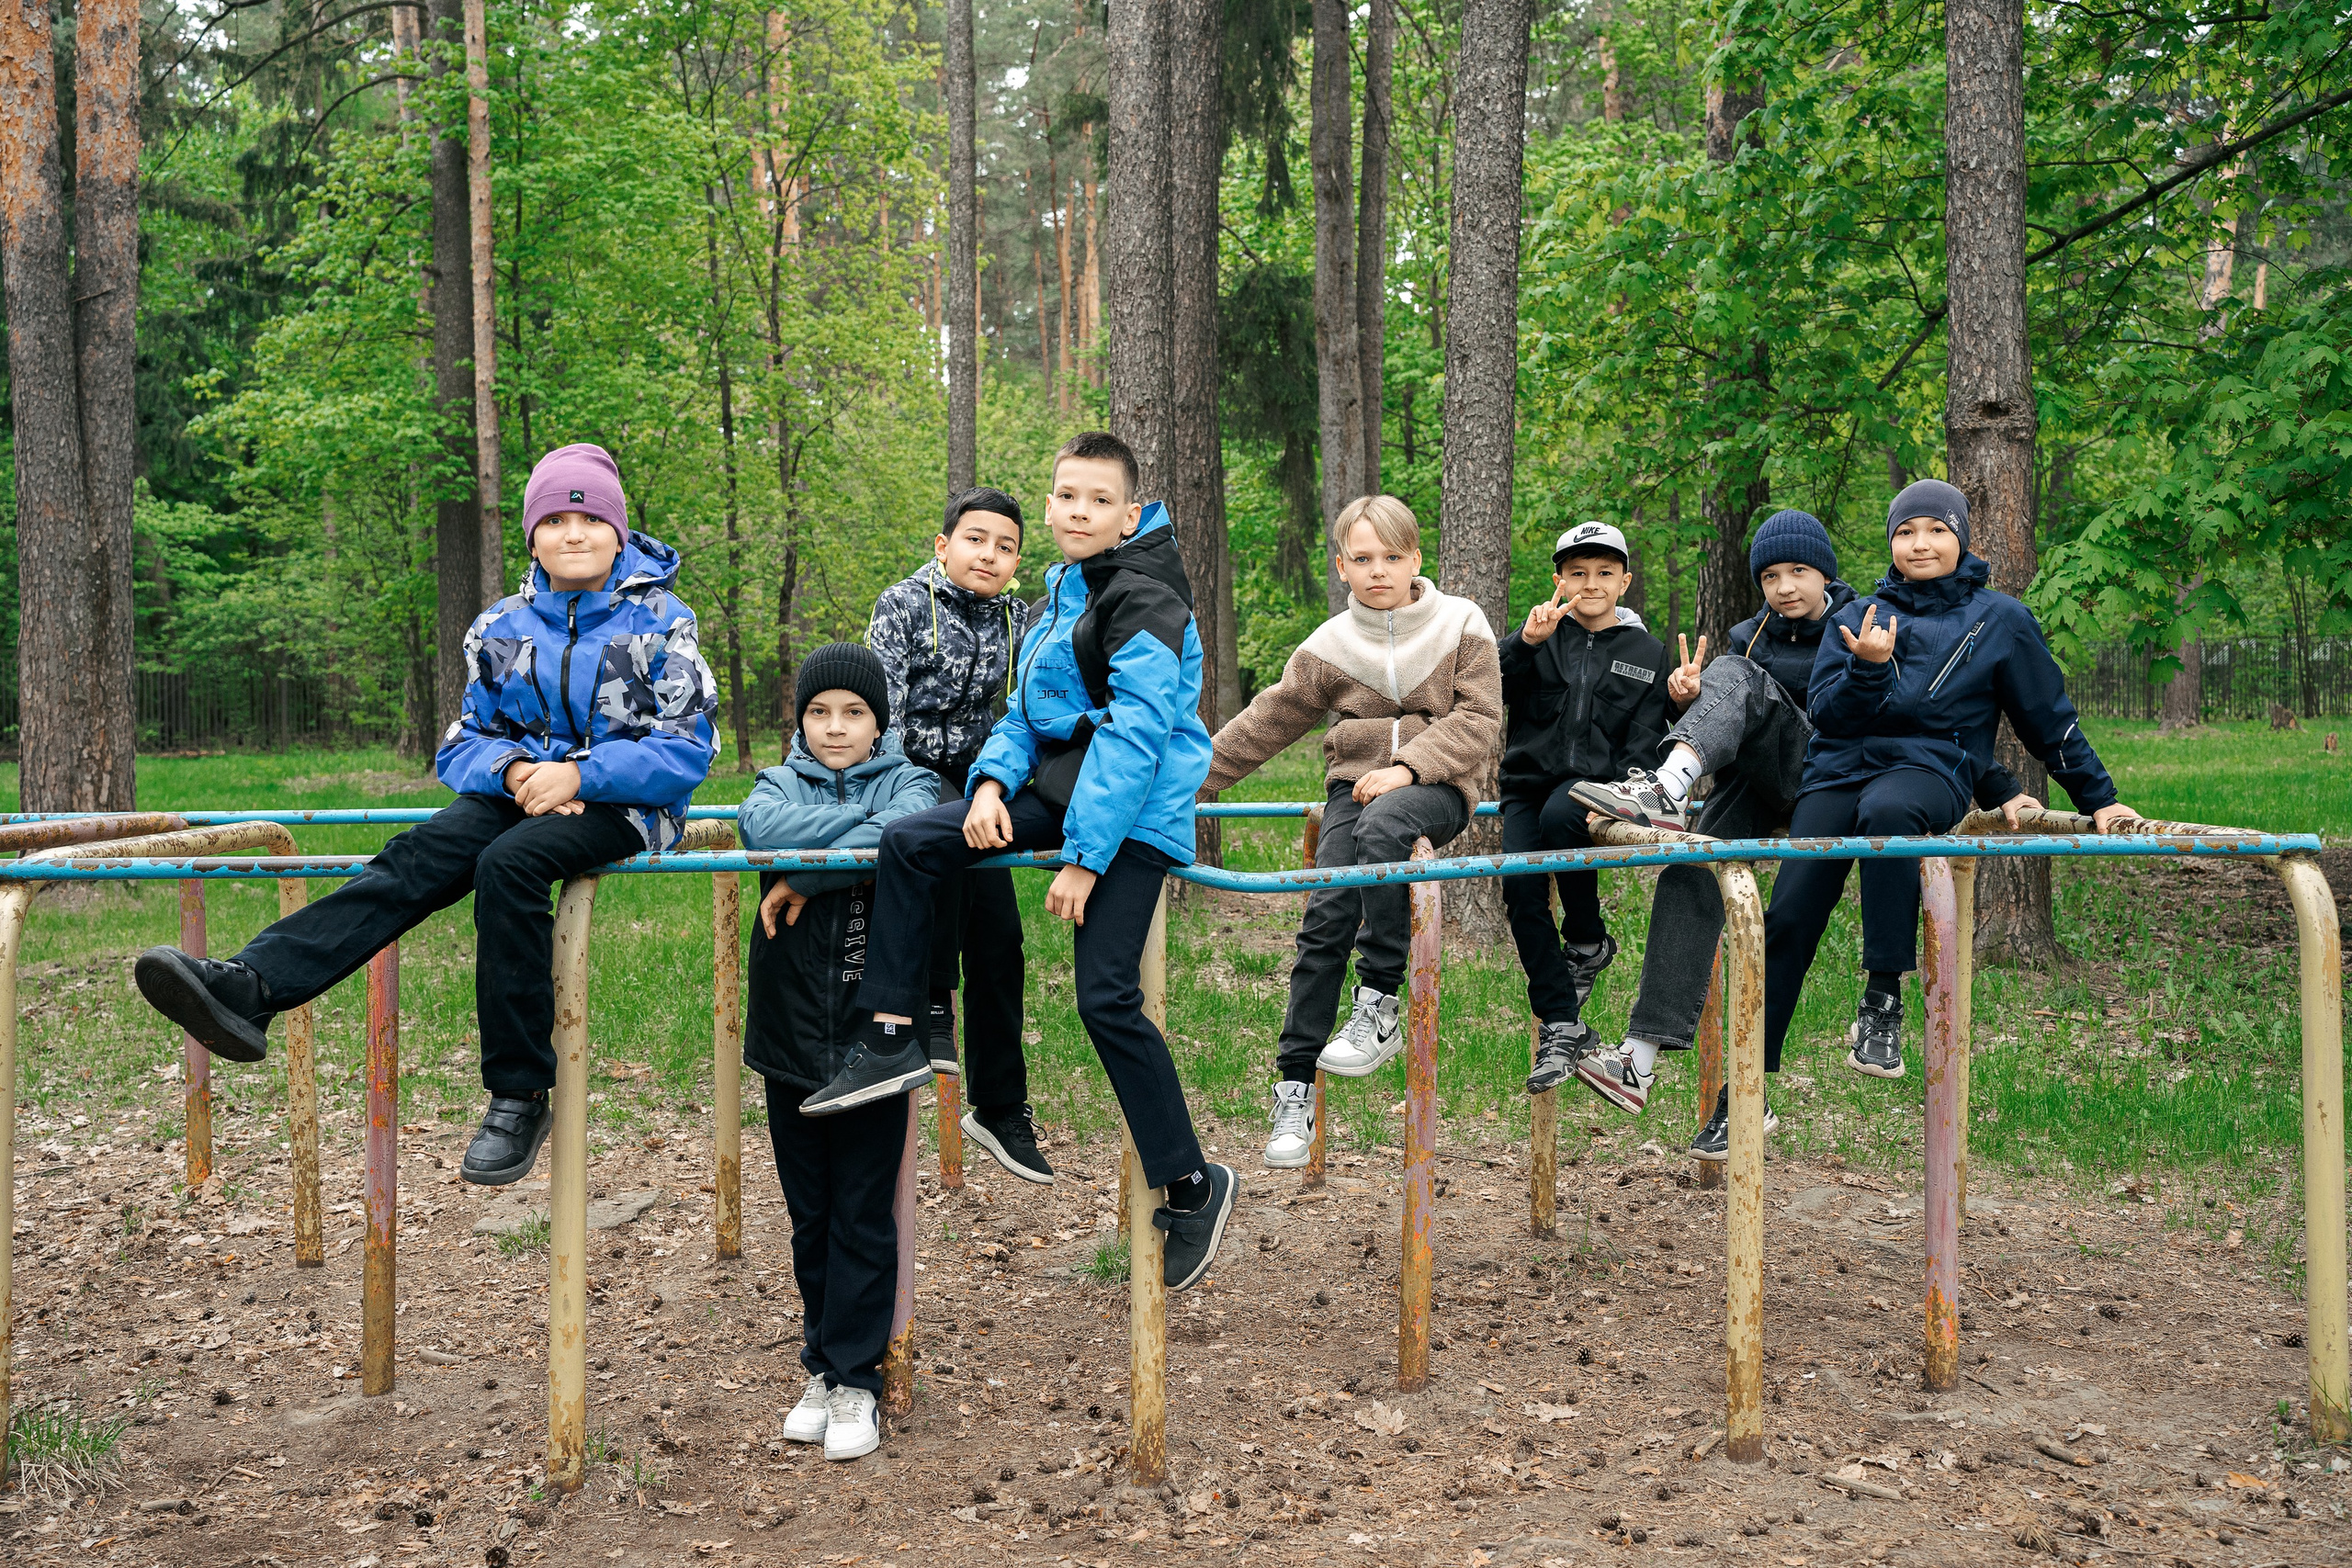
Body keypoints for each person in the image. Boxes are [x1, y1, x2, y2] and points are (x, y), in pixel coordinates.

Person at [130, 443, 718, 1185]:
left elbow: (686, 747)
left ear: (621, 531)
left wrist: (580, 773)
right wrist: (516, 770)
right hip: (520, 793)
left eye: (593, 517)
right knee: (419, 854)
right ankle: (253, 986)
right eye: (557, 518)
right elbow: (463, 741)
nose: (575, 532)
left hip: (625, 806)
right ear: (532, 534)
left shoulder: (662, 621)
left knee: (510, 865)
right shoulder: (501, 627)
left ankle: (519, 1091)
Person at [797, 431, 1235, 1292]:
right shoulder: (1063, 591)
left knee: (1105, 998)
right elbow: (1024, 712)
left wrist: (1082, 858)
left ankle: (1193, 1182)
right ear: (1050, 505)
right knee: (916, 840)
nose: (1080, 511)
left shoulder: (1145, 595)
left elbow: (1139, 738)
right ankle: (893, 1034)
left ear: (1130, 513)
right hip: (1058, 790)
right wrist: (993, 784)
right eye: (1067, 496)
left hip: (1131, 815)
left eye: (1099, 500)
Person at [1565, 509, 2024, 1158]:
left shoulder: (1868, 619)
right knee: (1693, 867)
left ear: (1827, 574)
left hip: (1837, 776)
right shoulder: (1748, 637)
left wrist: (1995, 782)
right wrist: (1682, 699)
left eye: (1799, 572)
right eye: (1771, 576)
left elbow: (1930, 709)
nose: (1784, 587)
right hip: (1764, 780)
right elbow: (1733, 720)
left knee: (1738, 678)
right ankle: (1639, 1057)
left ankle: (1668, 785)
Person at [1758, 479, 2139, 1102]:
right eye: (1905, 531)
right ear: (1891, 542)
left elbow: (2050, 719)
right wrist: (1867, 669)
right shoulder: (1856, 617)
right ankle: (1744, 1090)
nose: (1920, 543)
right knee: (1788, 914)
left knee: (1890, 809)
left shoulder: (2001, 620)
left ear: (1960, 537)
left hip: (1930, 770)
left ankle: (1883, 998)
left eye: (1936, 529)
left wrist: (2098, 797)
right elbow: (1826, 713)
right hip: (1838, 770)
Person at [1202, 494, 1501, 1167]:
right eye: (1362, 558)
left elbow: (1480, 719)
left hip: (1437, 786)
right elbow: (1264, 723)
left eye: (1392, 557)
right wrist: (1184, 787)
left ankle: (1380, 1003)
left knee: (1385, 828)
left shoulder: (1460, 622)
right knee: (1326, 911)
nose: (1378, 570)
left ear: (1416, 559)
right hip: (1351, 790)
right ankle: (1293, 1088)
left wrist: (1408, 767)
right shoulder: (1330, 645)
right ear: (1342, 566)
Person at [740, 643, 939, 1463]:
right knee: (810, 1211)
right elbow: (761, 830)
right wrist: (844, 852)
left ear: (879, 721)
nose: (834, 727)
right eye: (819, 711)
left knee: (862, 1208)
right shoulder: (775, 782)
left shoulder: (912, 781)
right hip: (789, 1030)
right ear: (800, 719)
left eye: (853, 712)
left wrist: (806, 870)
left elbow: (906, 829)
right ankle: (821, 1365)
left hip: (872, 1032)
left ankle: (859, 1377)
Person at [865, 487, 1051, 1184]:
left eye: (1006, 547)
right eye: (976, 540)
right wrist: (895, 781)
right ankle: (931, 1009)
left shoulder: (1018, 618)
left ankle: (1002, 1105)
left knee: (1002, 935)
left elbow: (1022, 709)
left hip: (985, 781)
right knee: (936, 846)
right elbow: (883, 705)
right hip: (910, 771)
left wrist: (1001, 782)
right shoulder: (905, 604)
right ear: (944, 547)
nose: (990, 555)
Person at [1500, 521, 1672, 1096]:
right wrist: (1525, 643)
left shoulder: (1647, 652)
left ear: (1625, 582)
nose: (1591, 584)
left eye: (1604, 573)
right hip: (1527, 785)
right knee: (1520, 891)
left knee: (1562, 816)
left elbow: (1647, 735)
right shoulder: (1541, 634)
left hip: (1596, 791)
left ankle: (1586, 935)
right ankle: (1561, 1023)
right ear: (1559, 580)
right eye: (1578, 573)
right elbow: (1489, 686)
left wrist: (1628, 784)